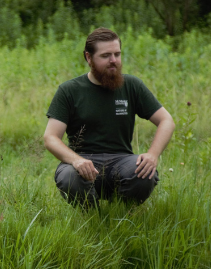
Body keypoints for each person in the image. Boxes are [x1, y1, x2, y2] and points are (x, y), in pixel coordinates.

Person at [43, 28, 175, 208]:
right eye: (105, 56)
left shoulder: (132, 85)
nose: (114, 60)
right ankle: (91, 218)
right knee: (68, 177)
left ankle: (122, 214)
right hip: (83, 161)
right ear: (88, 58)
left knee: (144, 173)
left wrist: (153, 154)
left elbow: (166, 121)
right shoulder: (69, 90)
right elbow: (50, 137)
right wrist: (76, 160)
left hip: (122, 161)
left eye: (117, 54)